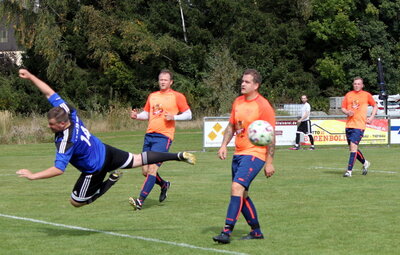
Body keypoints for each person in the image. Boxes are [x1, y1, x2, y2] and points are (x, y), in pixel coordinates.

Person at [15, 69, 196, 207]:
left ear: (62, 124)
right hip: (106, 151)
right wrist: (30, 76)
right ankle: (178, 156)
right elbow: (49, 93)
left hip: (95, 169)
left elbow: (58, 169)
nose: (49, 126)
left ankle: (110, 183)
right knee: (139, 159)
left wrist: (33, 176)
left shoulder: (65, 140)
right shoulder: (67, 111)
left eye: (52, 124)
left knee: (76, 202)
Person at [212, 69, 276, 244]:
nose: (243, 84)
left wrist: (269, 162)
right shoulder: (238, 102)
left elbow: (271, 136)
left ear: (256, 85)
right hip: (239, 153)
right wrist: (223, 145)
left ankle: (226, 231)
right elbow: (231, 126)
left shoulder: (263, 106)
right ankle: (256, 231)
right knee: (243, 194)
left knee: (236, 188)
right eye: (242, 81)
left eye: (247, 82)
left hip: (255, 154)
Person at [128, 69, 192, 210]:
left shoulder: (177, 96)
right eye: (160, 79)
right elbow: (147, 113)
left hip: (163, 137)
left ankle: (140, 201)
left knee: (152, 169)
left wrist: (174, 117)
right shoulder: (153, 96)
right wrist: (137, 116)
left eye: (165, 80)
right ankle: (164, 184)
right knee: (145, 171)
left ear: (171, 82)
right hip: (149, 135)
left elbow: (189, 114)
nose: (162, 82)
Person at [341, 77, 377, 177]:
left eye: (358, 84)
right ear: (353, 84)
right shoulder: (349, 95)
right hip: (349, 125)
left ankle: (349, 171)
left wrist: (371, 117)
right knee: (353, 148)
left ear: (362, 85)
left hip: (359, 125)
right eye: (355, 84)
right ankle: (365, 163)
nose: (356, 85)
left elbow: (375, 105)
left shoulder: (366, 95)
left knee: (353, 147)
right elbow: (343, 108)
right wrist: (347, 112)